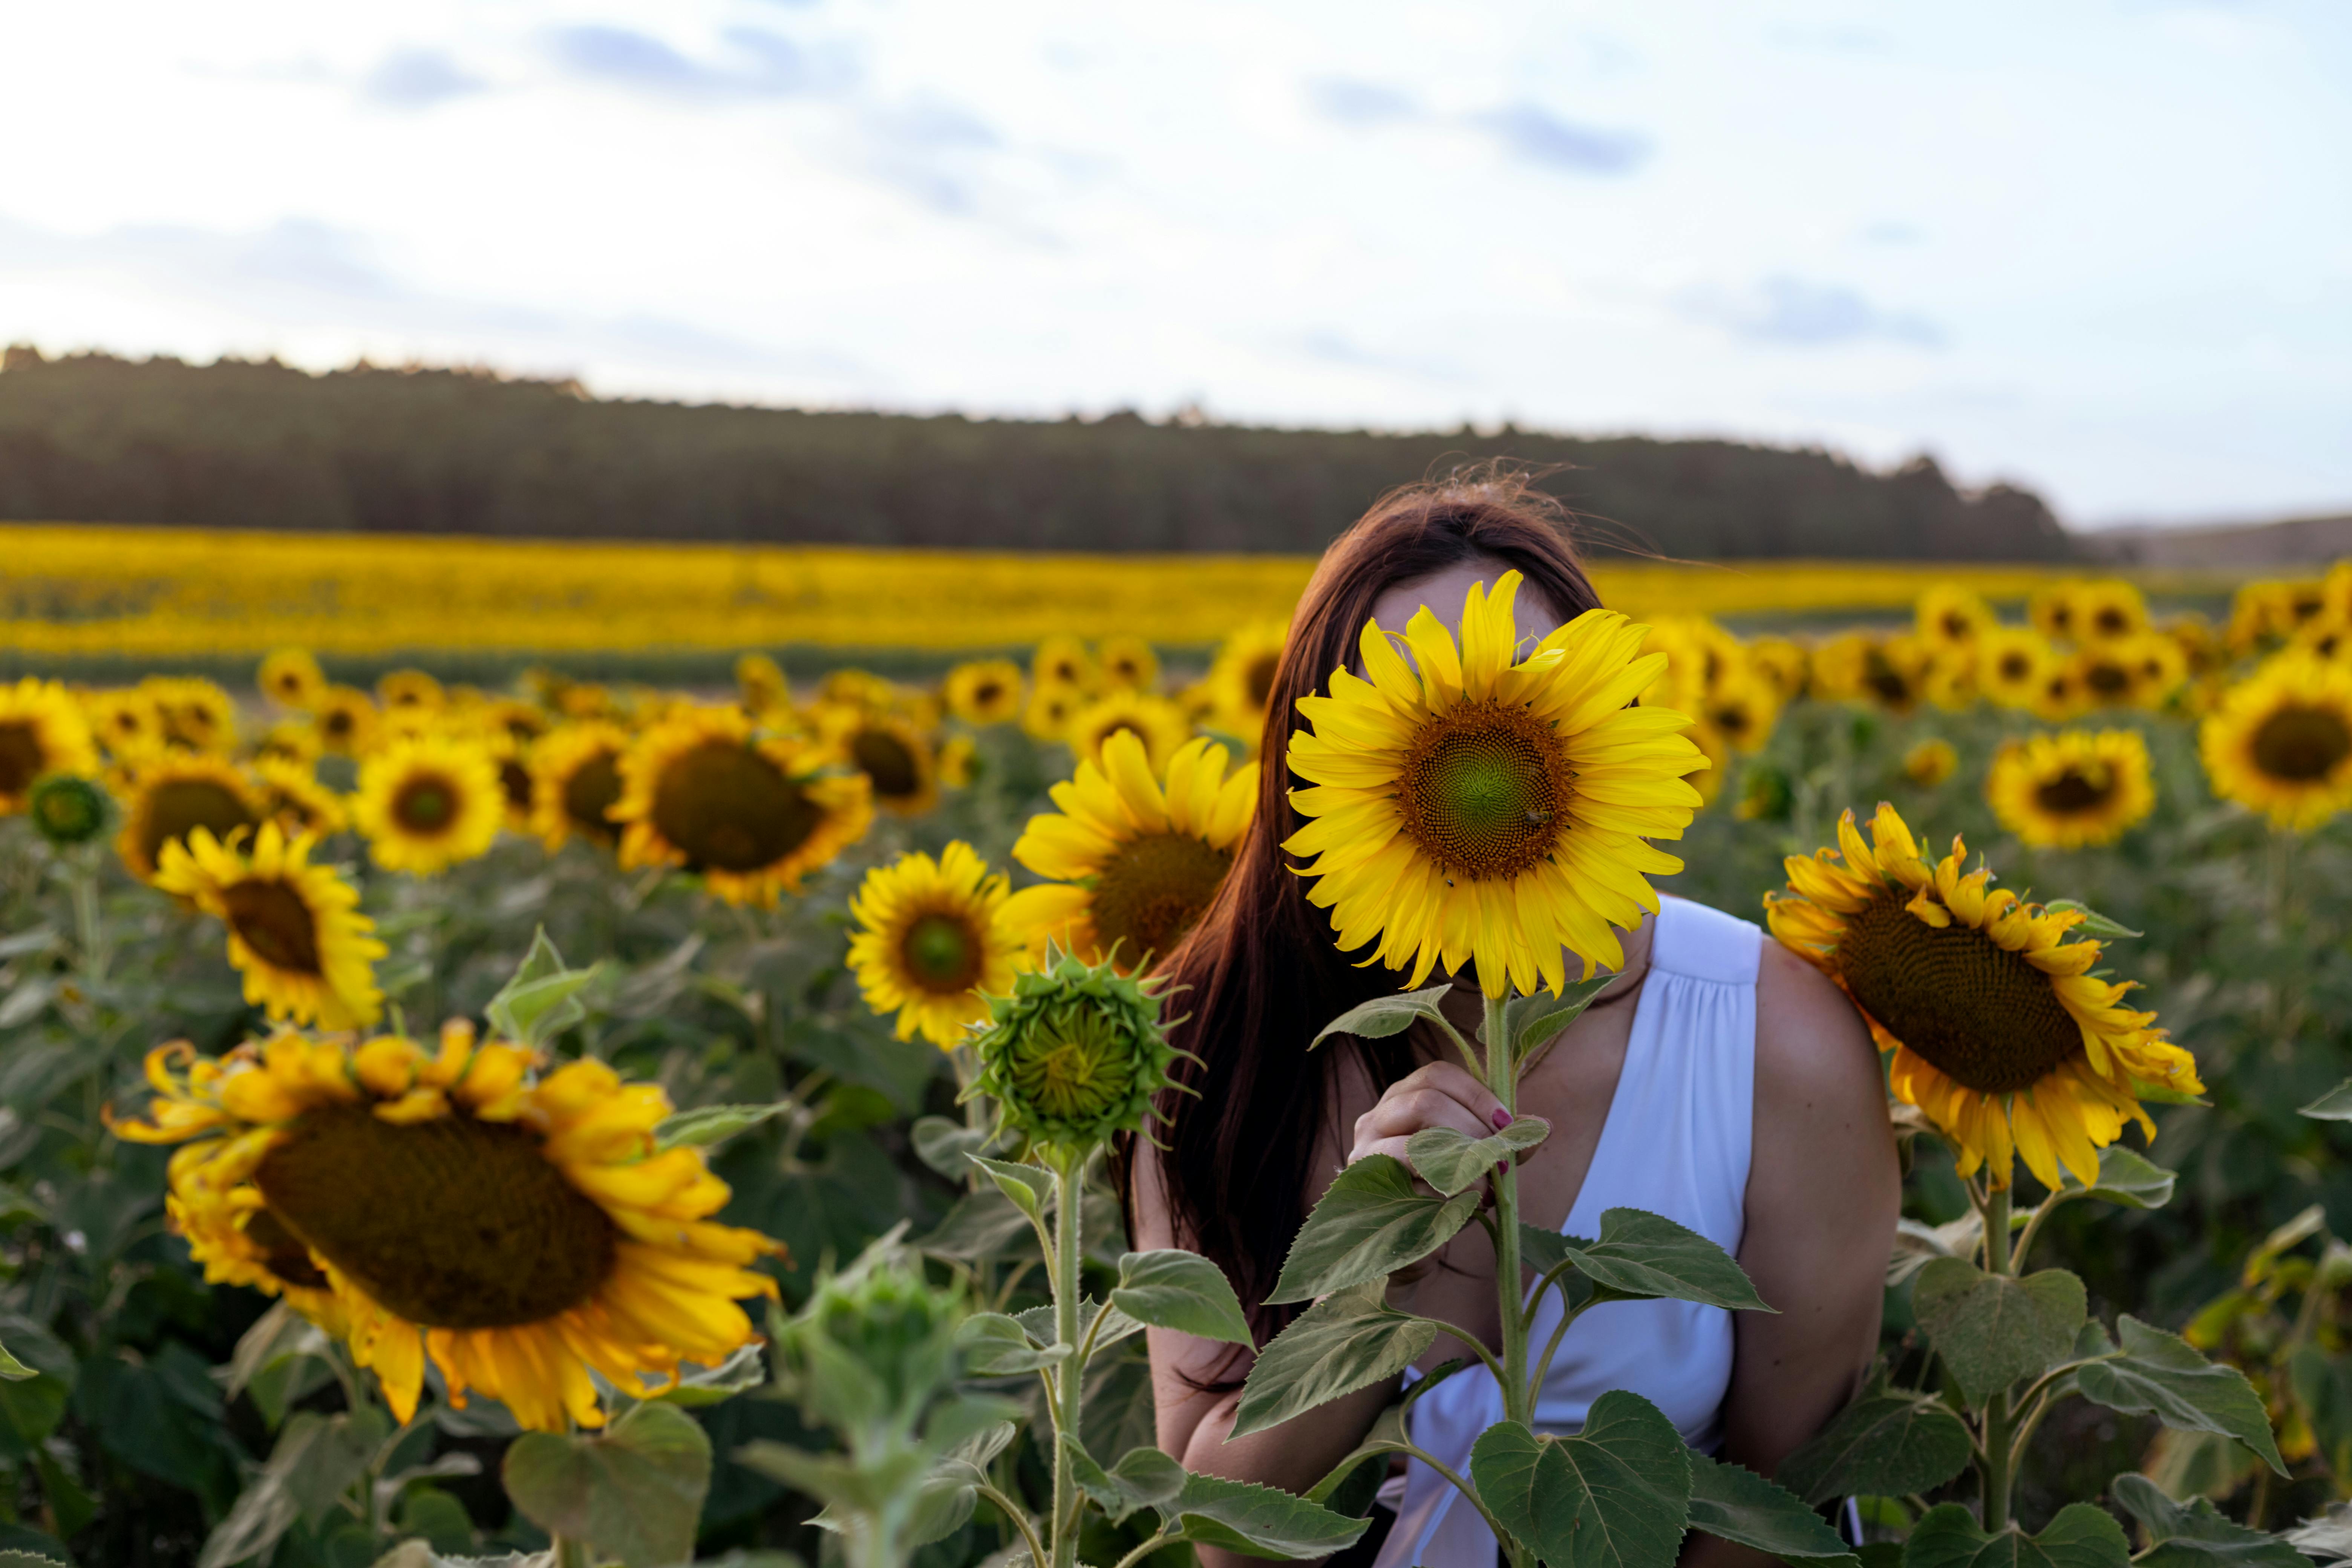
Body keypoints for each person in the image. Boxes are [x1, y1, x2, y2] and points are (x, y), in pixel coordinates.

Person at [1121, 467, 1899, 1568]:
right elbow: (1222, 1540)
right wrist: (1368, 1282)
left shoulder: (1771, 1039)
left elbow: (1788, 1501)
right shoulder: (1220, 1045)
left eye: (1527, 695)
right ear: (1323, 761)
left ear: (1602, 724)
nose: (1479, 770)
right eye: (1407, 709)